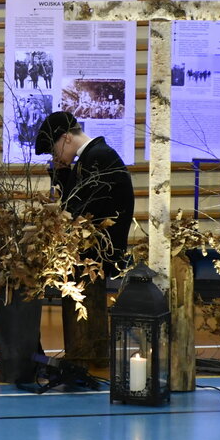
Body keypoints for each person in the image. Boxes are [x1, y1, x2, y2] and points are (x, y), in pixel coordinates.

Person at [35, 111, 135, 368]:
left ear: (66, 138)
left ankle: (86, 356)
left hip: (99, 250)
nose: (55, 156)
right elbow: (75, 203)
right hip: (92, 247)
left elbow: (78, 210)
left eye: (54, 150)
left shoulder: (97, 157)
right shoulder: (91, 156)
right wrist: (61, 173)